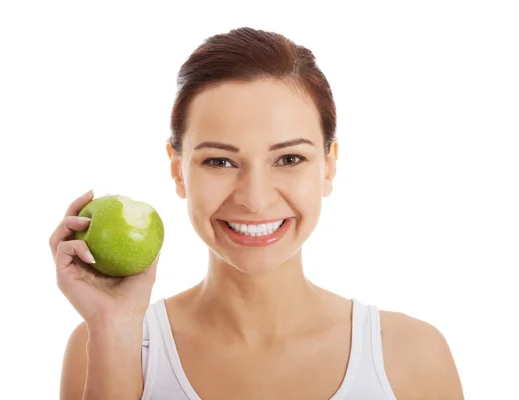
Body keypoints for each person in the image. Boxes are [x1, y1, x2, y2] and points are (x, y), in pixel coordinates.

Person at [49, 27, 464, 400]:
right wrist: (114, 332)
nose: (255, 199)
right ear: (178, 170)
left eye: (288, 159)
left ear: (329, 165)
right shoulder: (101, 346)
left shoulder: (413, 359)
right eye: (220, 162)